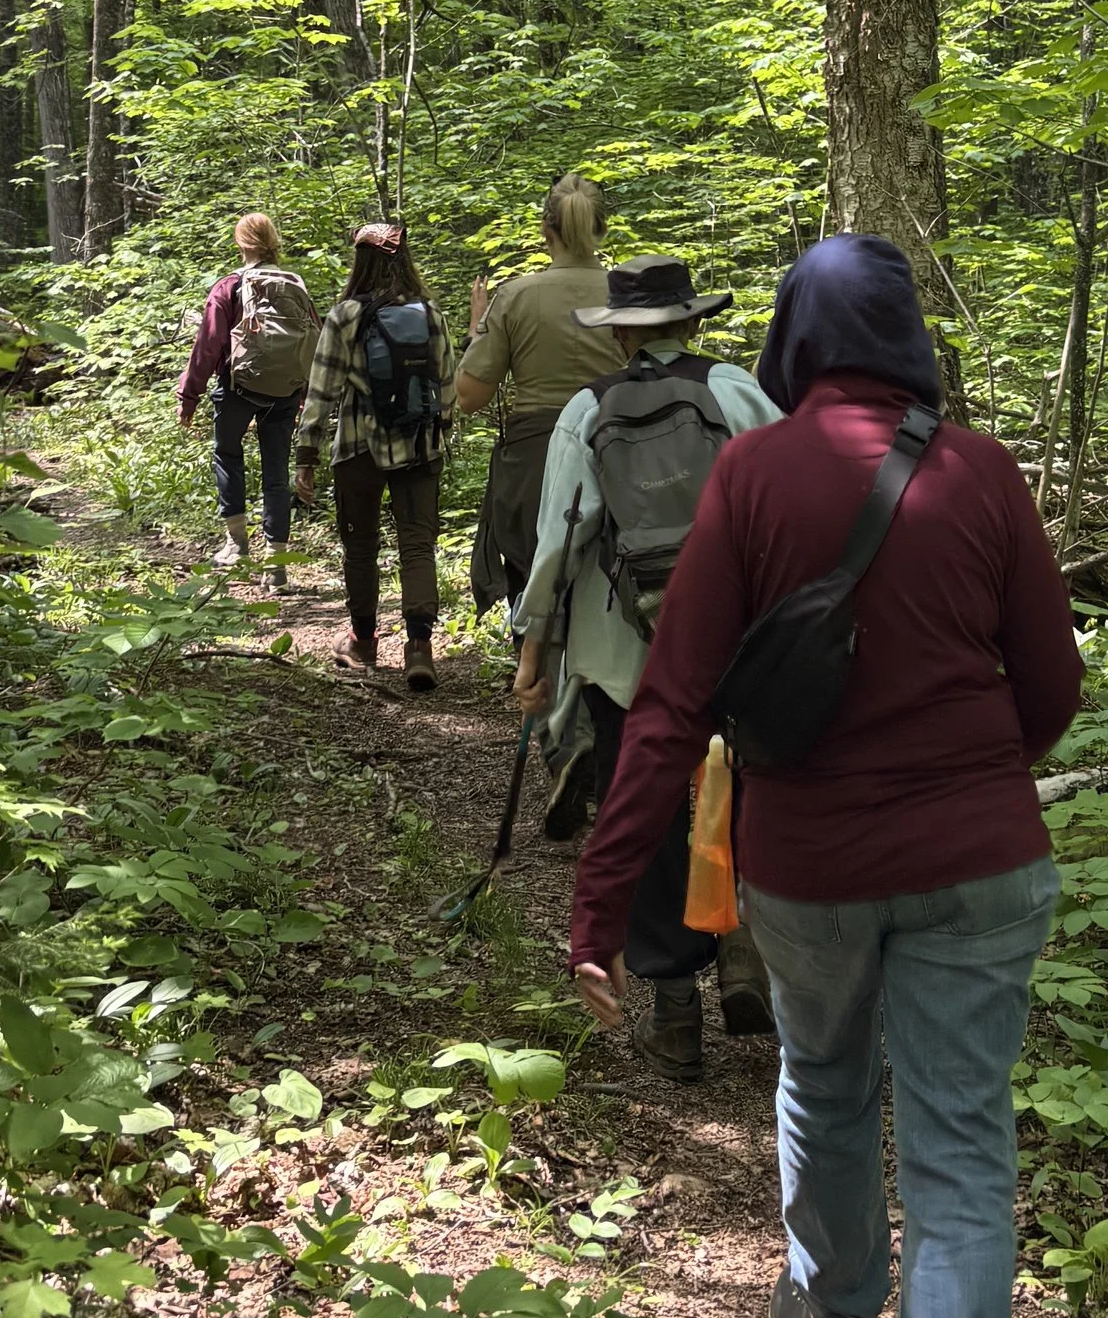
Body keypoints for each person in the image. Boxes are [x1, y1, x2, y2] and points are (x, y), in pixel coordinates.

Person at [566, 234, 1084, 1318]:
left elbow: (670, 705)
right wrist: (972, 780)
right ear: (910, 334)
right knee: (966, 1170)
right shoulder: (977, 470)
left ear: (796, 337)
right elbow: (1053, 683)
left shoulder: (756, 471)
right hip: (980, 864)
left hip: (805, 871)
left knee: (824, 1076)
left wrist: (602, 900)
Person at [511, 254, 779, 1076]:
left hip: (628, 651)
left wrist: (534, 654)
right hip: (742, 640)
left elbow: (559, 543)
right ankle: (744, 947)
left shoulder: (587, 411)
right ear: (692, 319)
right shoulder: (738, 391)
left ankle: (673, 1010)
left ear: (622, 331)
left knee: (654, 806)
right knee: (745, 785)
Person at [293, 219, 455, 692]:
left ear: (360, 261)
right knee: (417, 545)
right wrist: (440, 435)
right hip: (420, 446)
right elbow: (447, 387)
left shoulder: (346, 316)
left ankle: (363, 641)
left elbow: (321, 390)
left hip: (359, 445)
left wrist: (307, 455)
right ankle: (419, 648)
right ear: (405, 262)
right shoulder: (430, 314)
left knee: (360, 544)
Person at [455, 175, 621, 622]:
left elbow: (469, 397)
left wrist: (477, 333)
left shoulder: (514, 297)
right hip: (620, 449)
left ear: (546, 231)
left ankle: (535, 679)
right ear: (602, 230)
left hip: (536, 458)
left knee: (534, 574)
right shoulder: (630, 295)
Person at [175, 214, 319, 570]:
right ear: (275, 242)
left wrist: (188, 396)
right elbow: (313, 339)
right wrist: (304, 395)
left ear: (240, 244)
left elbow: (207, 347)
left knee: (227, 454)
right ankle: (277, 563)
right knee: (276, 473)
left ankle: (237, 546)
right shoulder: (296, 284)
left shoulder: (229, 287)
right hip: (285, 392)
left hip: (238, 387)